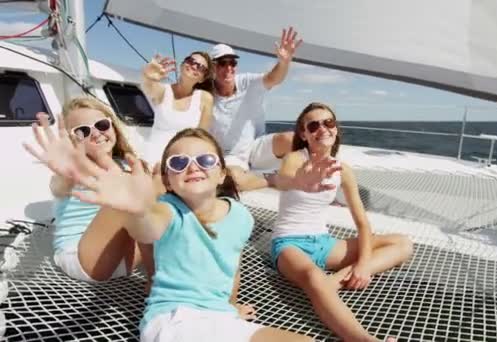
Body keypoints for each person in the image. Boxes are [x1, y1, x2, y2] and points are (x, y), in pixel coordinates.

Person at [61, 126, 347, 341]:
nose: (193, 166)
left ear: (222, 173)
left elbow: (231, 266)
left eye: (205, 160)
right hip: (175, 321)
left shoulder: (240, 217)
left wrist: (230, 306)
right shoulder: (167, 210)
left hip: (219, 317)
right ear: (169, 182)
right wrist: (134, 207)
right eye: (178, 163)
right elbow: (146, 227)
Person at [271, 103, 415, 341]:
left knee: (403, 244)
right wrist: (301, 180)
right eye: (314, 125)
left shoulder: (343, 170)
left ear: (335, 129)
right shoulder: (295, 159)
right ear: (304, 134)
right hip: (289, 244)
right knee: (312, 276)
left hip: (324, 244)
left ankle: (332, 283)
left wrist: (364, 265)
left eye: (328, 123)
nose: (323, 129)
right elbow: (284, 180)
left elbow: (362, 223)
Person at [22, 97, 153, 283]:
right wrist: (67, 168)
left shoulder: (128, 165)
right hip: (81, 259)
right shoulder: (73, 172)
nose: (96, 133)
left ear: (113, 126)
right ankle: (157, 279)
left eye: (101, 125)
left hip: (125, 259)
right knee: (127, 196)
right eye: (82, 131)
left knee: (166, 192)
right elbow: (59, 185)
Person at [209, 27, 302, 191]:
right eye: (222, 63)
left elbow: (274, 78)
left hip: (255, 147)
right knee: (232, 181)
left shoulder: (247, 82)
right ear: (212, 68)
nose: (229, 67)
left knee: (292, 139)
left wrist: (284, 62)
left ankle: (311, 181)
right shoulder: (206, 95)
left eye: (232, 62)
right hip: (231, 156)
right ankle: (272, 179)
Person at [141, 51, 214, 164]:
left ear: (202, 79)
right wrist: (148, 76)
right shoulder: (163, 91)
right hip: (153, 157)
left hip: (183, 160)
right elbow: (148, 86)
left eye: (201, 67)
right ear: (182, 65)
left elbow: (201, 137)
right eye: (191, 61)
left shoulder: (205, 98)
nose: (194, 66)